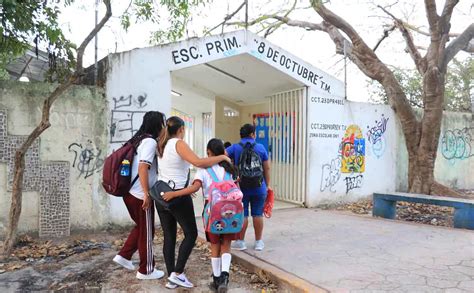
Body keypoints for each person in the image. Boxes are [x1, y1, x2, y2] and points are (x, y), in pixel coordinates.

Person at [157, 116, 232, 289]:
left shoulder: (162, 144)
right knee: (191, 234)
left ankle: (172, 277)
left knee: (169, 237)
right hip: (176, 196)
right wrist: (222, 157)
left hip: (161, 195)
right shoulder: (178, 143)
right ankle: (178, 273)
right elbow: (198, 162)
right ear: (181, 129)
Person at [113, 111, 166, 280]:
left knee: (142, 228)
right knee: (147, 233)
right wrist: (146, 194)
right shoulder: (149, 142)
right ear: (158, 125)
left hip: (129, 193)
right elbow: (143, 167)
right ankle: (146, 270)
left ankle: (124, 255)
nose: (165, 127)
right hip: (139, 195)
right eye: (163, 124)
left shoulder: (139, 139)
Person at [226, 124, 271, 251]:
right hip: (259, 186)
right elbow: (266, 168)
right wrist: (267, 185)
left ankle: (240, 242)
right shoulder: (261, 147)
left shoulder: (234, 148)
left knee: (243, 214)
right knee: (258, 214)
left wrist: (232, 171)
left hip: (241, 187)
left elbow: (222, 157)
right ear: (252, 134)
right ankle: (258, 242)